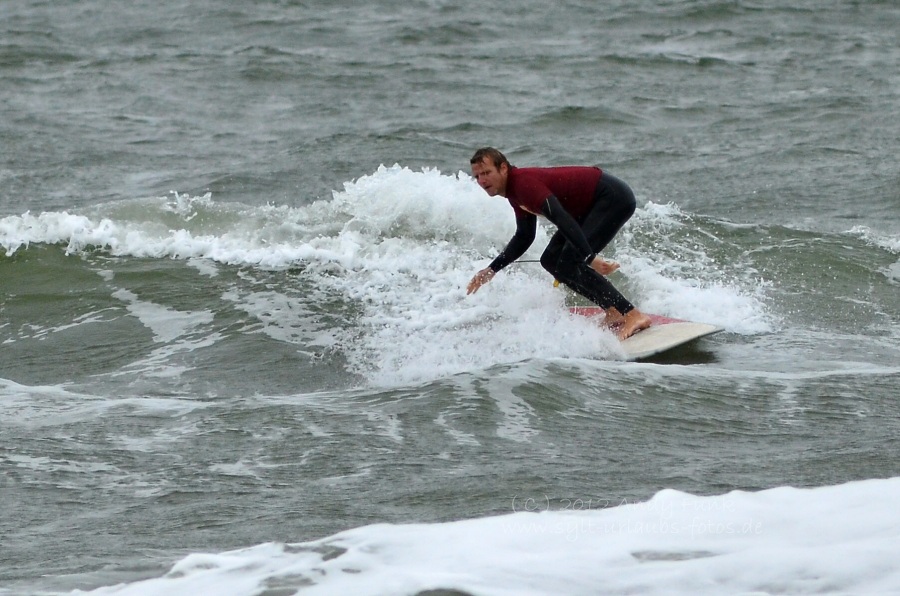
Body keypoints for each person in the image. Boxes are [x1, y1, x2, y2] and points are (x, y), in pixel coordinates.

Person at [466, 147, 652, 340]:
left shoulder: (523, 184)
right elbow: (524, 236)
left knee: (571, 261)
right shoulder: (514, 193)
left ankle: (632, 314)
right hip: (587, 207)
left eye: (486, 173)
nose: (482, 181)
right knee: (551, 260)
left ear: (503, 168)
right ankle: (613, 310)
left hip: (612, 198)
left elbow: (560, 216)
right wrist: (491, 269)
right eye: (477, 176)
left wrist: (589, 257)